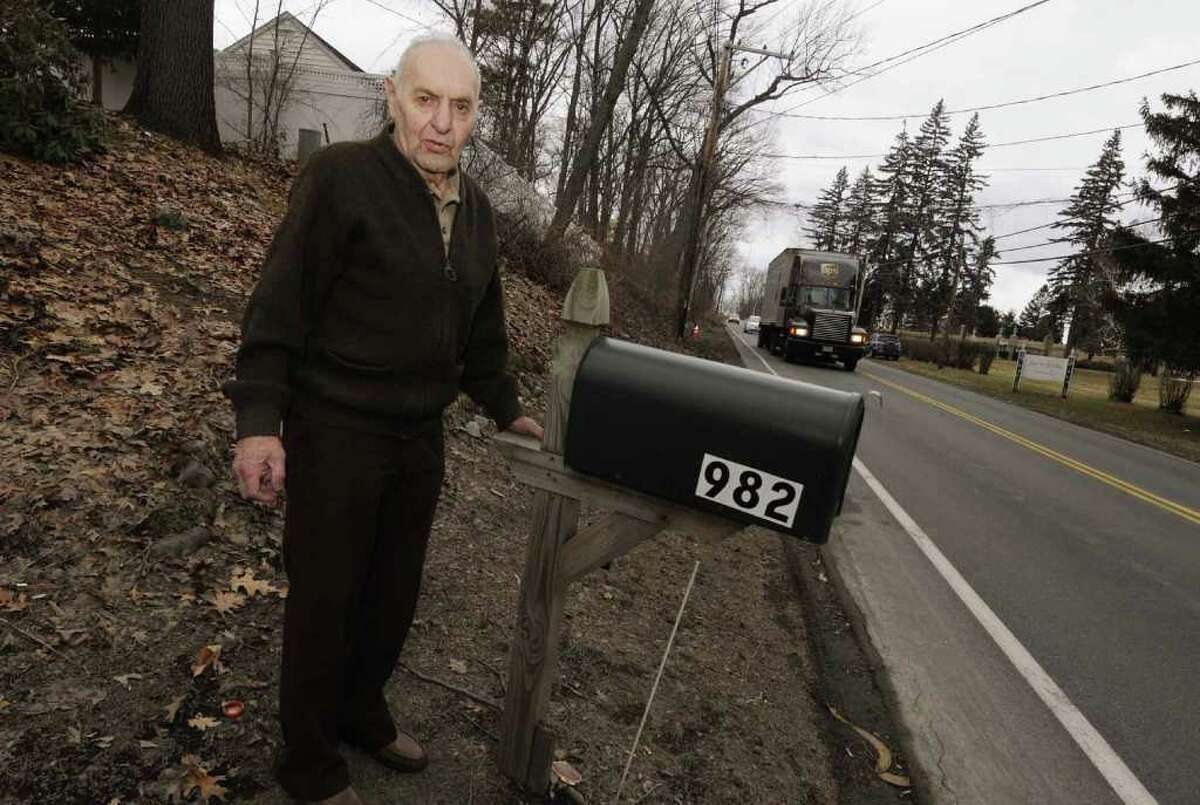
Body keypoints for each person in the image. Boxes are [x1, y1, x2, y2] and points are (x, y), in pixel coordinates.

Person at [221, 33, 543, 805]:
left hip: (417, 438)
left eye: (459, 107)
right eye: (425, 99)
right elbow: (278, 308)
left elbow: (482, 331)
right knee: (325, 599)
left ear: (475, 118)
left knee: (392, 594)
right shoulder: (341, 180)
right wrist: (260, 419)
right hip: (336, 428)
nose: (441, 123)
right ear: (393, 96)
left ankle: (360, 711)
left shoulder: (478, 216)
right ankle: (307, 762)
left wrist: (506, 405)